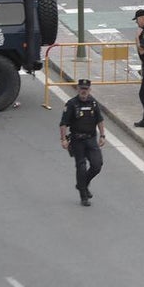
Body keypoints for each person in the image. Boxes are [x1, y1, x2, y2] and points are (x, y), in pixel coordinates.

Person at [60, 79, 105, 207]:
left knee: (97, 165)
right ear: (78, 89)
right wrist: (63, 139)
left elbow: (100, 120)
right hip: (77, 140)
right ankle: (83, 196)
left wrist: (102, 135)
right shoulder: (71, 104)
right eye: (81, 89)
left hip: (91, 139)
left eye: (86, 89)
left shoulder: (93, 103)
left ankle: (82, 184)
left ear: (89, 90)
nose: (84, 91)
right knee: (81, 167)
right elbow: (63, 123)